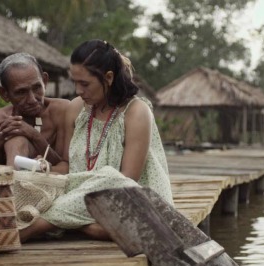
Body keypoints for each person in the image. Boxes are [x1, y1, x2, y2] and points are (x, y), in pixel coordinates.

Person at [19, 39, 173, 242]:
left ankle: (40, 225)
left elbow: (126, 181)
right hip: (81, 200)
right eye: (74, 82)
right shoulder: (76, 108)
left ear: (108, 78)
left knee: (112, 176)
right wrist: (46, 167)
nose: (78, 90)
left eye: (85, 84)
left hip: (128, 202)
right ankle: (78, 224)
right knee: (22, 181)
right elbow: (68, 168)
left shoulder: (136, 112)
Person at [0, 53, 69, 173]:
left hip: (53, 184)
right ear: (4, 94)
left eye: (37, 88)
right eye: (21, 92)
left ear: (44, 81)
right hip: (8, 185)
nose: (32, 99)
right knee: (16, 139)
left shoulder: (62, 111)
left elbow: (68, 168)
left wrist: (34, 136)